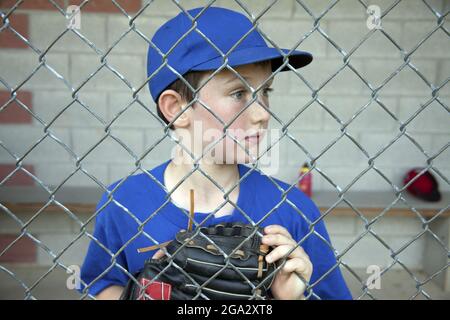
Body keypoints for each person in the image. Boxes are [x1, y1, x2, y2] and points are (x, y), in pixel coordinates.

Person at [79, 6, 352, 300]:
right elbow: (101, 284)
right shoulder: (123, 203)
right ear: (177, 108)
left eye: (265, 92)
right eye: (238, 93)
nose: (262, 113)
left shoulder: (294, 211)